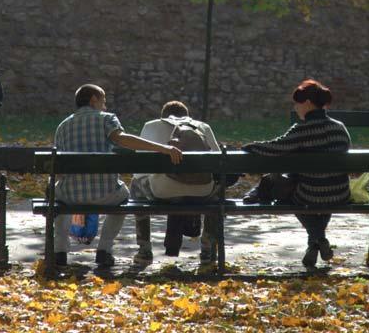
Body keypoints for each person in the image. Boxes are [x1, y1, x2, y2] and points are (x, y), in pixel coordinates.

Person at [52, 84, 183, 268]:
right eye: (103, 101)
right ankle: (104, 250)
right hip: (106, 195)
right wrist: (162, 148)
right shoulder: (107, 119)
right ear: (93, 99)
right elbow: (123, 139)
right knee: (124, 195)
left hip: (70, 196)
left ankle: (59, 251)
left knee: (56, 195)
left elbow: (58, 171)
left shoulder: (62, 126)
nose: (104, 107)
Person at [243, 79, 351, 268]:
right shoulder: (340, 128)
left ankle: (317, 238)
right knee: (321, 191)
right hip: (340, 192)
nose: (295, 108)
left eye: (297, 103)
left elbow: (275, 148)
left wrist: (251, 146)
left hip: (310, 193)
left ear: (308, 103)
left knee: (286, 194)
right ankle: (316, 243)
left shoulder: (302, 130)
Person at [130, 100, 221, 267]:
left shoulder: (151, 125)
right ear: (187, 116)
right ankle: (207, 251)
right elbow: (217, 164)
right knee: (217, 194)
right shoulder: (202, 127)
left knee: (135, 184)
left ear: (163, 116)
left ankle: (144, 250)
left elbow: (139, 169)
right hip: (202, 192)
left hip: (161, 193)